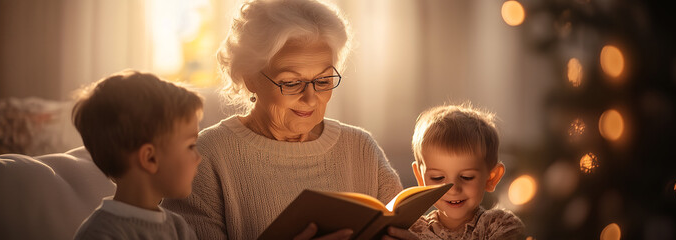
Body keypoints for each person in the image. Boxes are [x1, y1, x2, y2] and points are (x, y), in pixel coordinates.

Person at [161, 0, 411, 239]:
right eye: (291, 83)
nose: (311, 99)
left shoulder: (361, 148)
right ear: (249, 77)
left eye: (323, 81)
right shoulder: (207, 156)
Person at [72, 70, 203, 240]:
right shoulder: (100, 234)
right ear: (150, 158)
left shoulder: (178, 228)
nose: (199, 157)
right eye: (191, 146)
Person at [408, 104, 525, 239]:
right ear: (420, 177)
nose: (453, 189)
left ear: (491, 177)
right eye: (437, 177)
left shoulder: (502, 226)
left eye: (467, 177)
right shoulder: (411, 230)